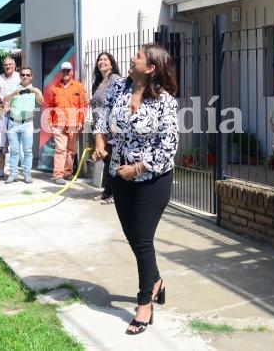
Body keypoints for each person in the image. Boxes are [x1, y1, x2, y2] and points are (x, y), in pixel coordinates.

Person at [93, 43, 179, 335]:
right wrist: (100, 142)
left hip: (152, 179)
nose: (132, 58)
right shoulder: (119, 88)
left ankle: (145, 303)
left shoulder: (165, 101)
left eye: (139, 56)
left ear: (152, 67)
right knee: (133, 237)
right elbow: (102, 117)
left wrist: (138, 168)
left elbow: (168, 148)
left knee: (142, 239)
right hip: (119, 175)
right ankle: (156, 282)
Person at [85, 52, 121, 204]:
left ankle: (115, 194)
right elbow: (99, 104)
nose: (102, 62)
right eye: (100, 60)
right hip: (99, 128)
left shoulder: (115, 79)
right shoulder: (98, 82)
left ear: (111, 63)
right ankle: (107, 191)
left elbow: (119, 101)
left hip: (111, 128)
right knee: (106, 159)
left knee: (113, 160)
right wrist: (90, 101)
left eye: (105, 59)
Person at [45, 61, 87, 185]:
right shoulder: (54, 88)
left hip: (73, 123)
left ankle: (67, 172)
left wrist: (80, 121)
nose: (66, 73)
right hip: (58, 124)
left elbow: (83, 106)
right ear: (60, 72)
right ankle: (58, 175)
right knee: (60, 149)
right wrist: (50, 122)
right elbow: (49, 106)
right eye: (64, 71)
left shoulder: (78, 86)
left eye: (68, 71)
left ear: (72, 72)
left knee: (71, 151)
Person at [3, 67, 44, 184]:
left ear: (31, 77)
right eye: (23, 75)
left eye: (28, 75)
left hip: (27, 123)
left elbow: (42, 102)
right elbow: (4, 99)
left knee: (27, 150)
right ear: (20, 76)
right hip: (13, 122)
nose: (25, 77)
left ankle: (27, 174)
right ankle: (14, 174)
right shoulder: (13, 88)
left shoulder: (34, 89)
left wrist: (35, 92)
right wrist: (13, 94)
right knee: (14, 150)